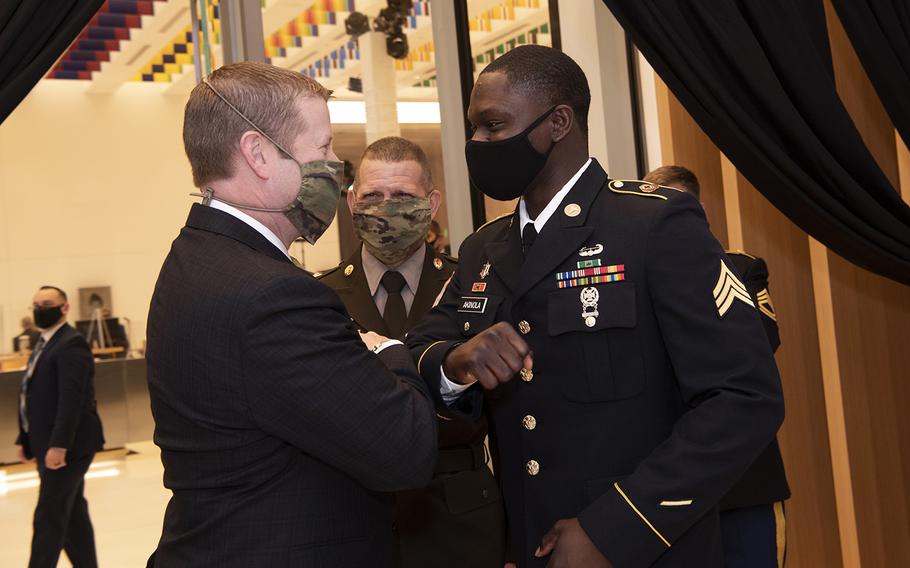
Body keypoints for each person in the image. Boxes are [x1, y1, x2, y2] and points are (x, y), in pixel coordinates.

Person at [406, 45, 784, 567]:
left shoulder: (653, 225)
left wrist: (617, 528)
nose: (477, 143)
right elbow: (421, 351)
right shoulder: (483, 249)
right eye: (474, 127)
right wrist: (458, 360)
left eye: (493, 126)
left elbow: (743, 398)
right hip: (531, 548)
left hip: (646, 546)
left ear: (558, 122)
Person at [145, 62, 437, 567]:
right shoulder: (274, 295)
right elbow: (404, 448)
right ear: (258, 153)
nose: (334, 164)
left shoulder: (195, 257)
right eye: (322, 147)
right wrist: (387, 351)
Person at [317, 136, 505, 567]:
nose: (387, 207)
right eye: (373, 196)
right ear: (351, 201)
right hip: (354, 519)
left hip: (461, 524)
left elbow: (508, 420)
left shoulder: (472, 289)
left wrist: (513, 543)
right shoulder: (318, 295)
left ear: (432, 203)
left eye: (403, 196)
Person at [644, 165, 791, 567]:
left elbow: (762, 339)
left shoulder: (740, 268)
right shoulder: (636, 280)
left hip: (747, 480)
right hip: (672, 486)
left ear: (698, 211)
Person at [16, 285, 105, 568]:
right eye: (36, 304)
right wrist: (25, 437)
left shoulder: (71, 344)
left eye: (47, 303)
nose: (41, 309)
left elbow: (72, 401)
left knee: (49, 516)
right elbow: (31, 394)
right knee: (72, 514)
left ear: (65, 307)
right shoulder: (44, 343)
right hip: (47, 443)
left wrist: (58, 446)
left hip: (68, 447)